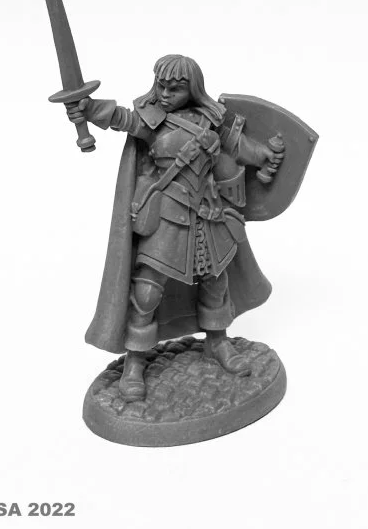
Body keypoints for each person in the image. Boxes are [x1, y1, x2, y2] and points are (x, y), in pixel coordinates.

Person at [66, 54, 284, 401]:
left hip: (207, 213)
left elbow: (237, 146)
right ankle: (135, 361)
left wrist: (264, 155)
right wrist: (89, 109)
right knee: (146, 292)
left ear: (192, 89)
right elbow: (121, 118)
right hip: (166, 217)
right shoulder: (150, 119)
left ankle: (217, 342)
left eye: (176, 88)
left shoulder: (211, 118)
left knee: (215, 281)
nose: (166, 94)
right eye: (162, 86)